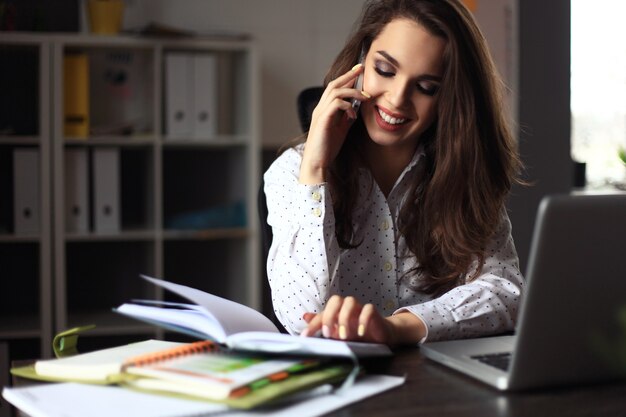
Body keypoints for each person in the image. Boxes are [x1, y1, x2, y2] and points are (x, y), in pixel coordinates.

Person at [263, 0, 524, 347]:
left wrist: (398, 328)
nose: (397, 99)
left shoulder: (465, 175)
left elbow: (505, 292)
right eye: (385, 70)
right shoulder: (292, 172)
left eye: (426, 87)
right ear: (360, 64)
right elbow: (301, 317)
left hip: (441, 381)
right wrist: (315, 168)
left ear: (450, 98)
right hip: (345, 383)